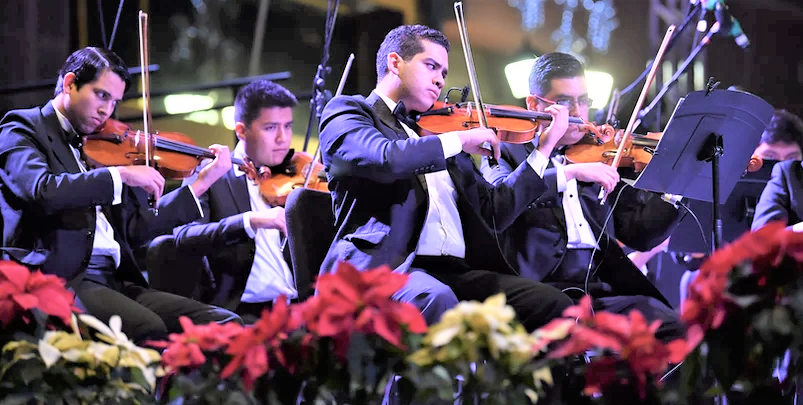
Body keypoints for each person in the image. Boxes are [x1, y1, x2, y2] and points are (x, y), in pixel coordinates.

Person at [318, 25, 573, 331]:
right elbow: (386, 158)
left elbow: (495, 211)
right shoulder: (349, 112)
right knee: (437, 298)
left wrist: (543, 150)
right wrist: (457, 142)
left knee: (552, 303)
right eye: (431, 66)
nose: (440, 79)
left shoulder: (437, 132)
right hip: (387, 269)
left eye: (444, 71)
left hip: (454, 272)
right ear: (395, 63)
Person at [0, 47, 241, 343]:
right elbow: (42, 190)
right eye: (102, 95)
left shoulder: (102, 148)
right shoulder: (22, 128)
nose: (107, 111)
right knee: (149, 329)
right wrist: (121, 175)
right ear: (70, 83)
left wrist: (201, 183)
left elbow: (136, 228)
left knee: (226, 324)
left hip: (115, 280)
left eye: (114, 102)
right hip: (63, 279)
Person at [481, 52, 686, 341]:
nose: (578, 112)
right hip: (539, 289)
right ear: (533, 104)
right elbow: (500, 203)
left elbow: (641, 233)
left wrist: (677, 183)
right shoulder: (505, 151)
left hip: (597, 289)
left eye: (584, 101)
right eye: (564, 102)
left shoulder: (599, 154)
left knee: (669, 326)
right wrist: (564, 169)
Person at [172, 80, 298, 321]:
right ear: (241, 131)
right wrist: (250, 221)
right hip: (242, 312)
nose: (283, 138)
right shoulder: (211, 174)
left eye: (288, 126)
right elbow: (184, 236)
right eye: (271, 128)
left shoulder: (294, 176)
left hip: (298, 306)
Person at [679, 108, 803, 308]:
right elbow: (690, 256)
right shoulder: (726, 181)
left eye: (790, 157)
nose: (778, 164)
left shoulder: (794, 177)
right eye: (769, 157)